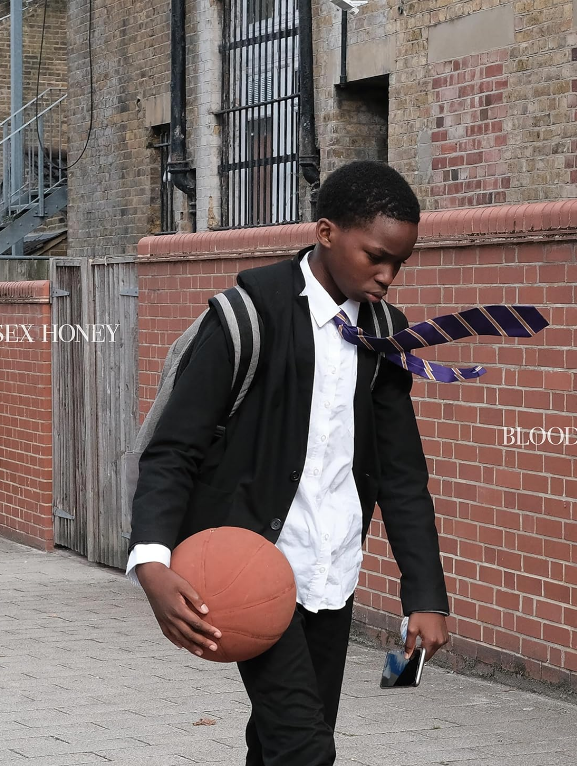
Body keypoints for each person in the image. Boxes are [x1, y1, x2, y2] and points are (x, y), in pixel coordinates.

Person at [127, 159, 450, 766]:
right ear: (326, 232)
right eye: (375, 256)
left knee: (284, 741)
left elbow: (403, 472)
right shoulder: (247, 316)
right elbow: (174, 449)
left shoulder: (386, 334)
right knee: (305, 748)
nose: (387, 275)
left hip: (333, 573)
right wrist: (151, 560)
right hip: (249, 569)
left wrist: (425, 595)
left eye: (399, 263)